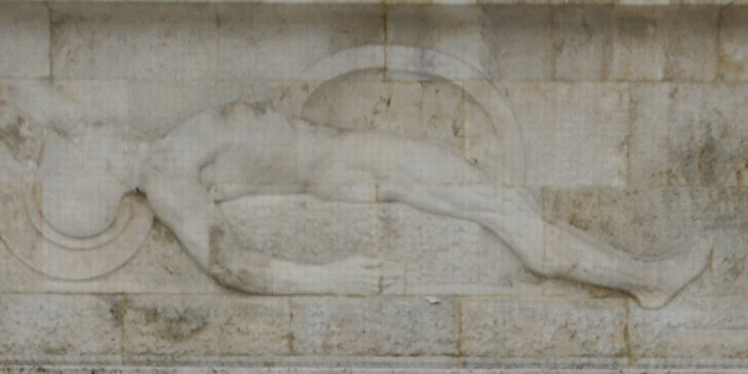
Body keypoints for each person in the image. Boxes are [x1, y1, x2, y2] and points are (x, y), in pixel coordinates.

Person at [38, 101, 711, 309]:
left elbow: (41, 106)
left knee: (503, 205)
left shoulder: (168, 148)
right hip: (355, 168)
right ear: (101, 169)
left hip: (358, 154)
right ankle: (647, 280)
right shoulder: (166, 172)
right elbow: (228, 263)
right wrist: (329, 279)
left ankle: (641, 277)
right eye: (87, 141)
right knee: (507, 215)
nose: (94, 127)